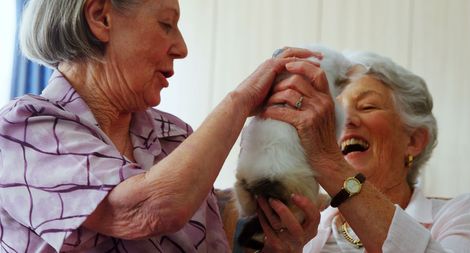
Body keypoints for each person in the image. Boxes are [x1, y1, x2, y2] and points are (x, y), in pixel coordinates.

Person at [0, 0, 321, 252]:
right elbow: (148, 208)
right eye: (166, 24)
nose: (182, 48)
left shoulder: (175, 136)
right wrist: (242, 99)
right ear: (101, 18)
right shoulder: (22, 128)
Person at [263, 48, 470, 252]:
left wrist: (330, 165)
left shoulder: (463, 214)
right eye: (335, 112)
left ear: (413, 140)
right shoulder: (304, 226)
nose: (344, 120)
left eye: (368, 106)